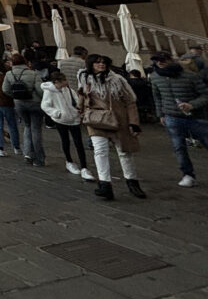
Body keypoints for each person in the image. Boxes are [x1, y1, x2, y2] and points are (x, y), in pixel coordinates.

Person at [78, 55, 145, 200]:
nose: (101, 65)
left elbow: (130, 101)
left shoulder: (117, 80)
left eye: (103, 63)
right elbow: (82, 98)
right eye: (97, 62)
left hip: (118, 120)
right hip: (96, 120)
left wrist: (134, 123)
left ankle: (132, 182)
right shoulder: (84, 79)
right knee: (100, 151)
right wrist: (81, 112)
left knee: (124, 152)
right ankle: (105, 184)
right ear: (91, 64)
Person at [149, 52, 208, 187]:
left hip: (195, 116)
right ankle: (188, 175)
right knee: (179, 147)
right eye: (156, 60)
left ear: (170, 60)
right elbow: (157, 97)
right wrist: (161, 115)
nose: (159, 63)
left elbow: (205, 95)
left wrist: (192, 105)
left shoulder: (190, 76)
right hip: (172, 116)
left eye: (162, 60)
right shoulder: (155, 77)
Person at [41, 70, 94, 180]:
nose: (66, 82)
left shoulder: (68, 89)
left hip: (74, 119)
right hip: (61, 120)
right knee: (65, 141)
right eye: (64, 80)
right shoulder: (49, 91)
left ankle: (84, 167)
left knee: (78, 142)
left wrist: (78, 111)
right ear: (56, 82)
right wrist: (57, 113)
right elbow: (45, 106)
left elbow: (76, 99)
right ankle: (69, 161)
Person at [3, 54, 44, 166]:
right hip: (34, 102)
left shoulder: (9, 74)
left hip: (19, 103)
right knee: (35, 129)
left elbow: (5, 90)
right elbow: (40, 90)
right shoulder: (33, 73)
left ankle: (28, 153)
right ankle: (39, 158)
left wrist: (15, 96)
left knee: (27, 126)